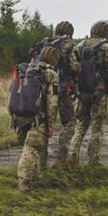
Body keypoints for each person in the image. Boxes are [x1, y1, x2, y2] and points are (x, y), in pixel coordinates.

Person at [67, 20, 108, 166]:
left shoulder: (80, 45)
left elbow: (74, 69)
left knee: (81, 125)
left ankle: (72, 155)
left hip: (81, 92)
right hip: (99, 93)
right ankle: (93, 160)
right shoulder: (106, 47)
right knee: (97, 127)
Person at [32, 20, 81, 169]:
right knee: (70, 123)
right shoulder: (68, 44)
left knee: (44, 124)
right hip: (61, 88)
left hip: (41, 89)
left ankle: (41, 164)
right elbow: (73, 67)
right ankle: (61, 155)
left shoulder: (44, 43)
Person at [16, 46, 60, 191]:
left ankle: (36, 177)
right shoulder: (51, 74)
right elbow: (52, 102)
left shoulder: (28, 70)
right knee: (31, 150)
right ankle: (25, 184)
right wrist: (51, 124)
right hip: (38, 119)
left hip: (20, 117)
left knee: (29, 148)